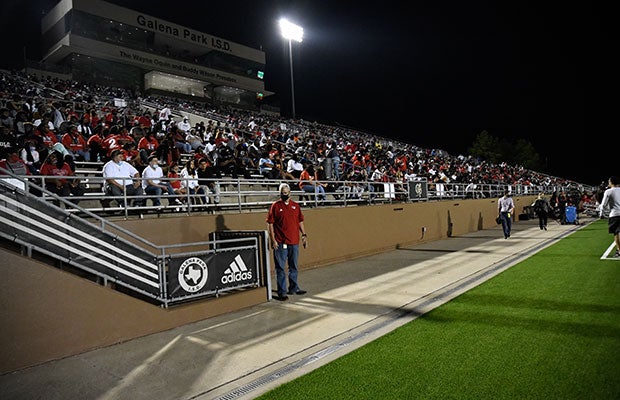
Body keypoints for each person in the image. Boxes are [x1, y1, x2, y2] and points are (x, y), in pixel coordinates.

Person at [266, 183, 308, 301]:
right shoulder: (275, 206)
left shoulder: (295, 206)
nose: (284, 195)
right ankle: (282, 292)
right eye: (282, 193)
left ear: (290, 193)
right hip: (280, 242)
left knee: (293, 266)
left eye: (286, 193)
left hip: (294, 241)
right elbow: (270, 223)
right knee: (280, 268)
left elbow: (300, 221)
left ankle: (294, 288)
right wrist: (273, 240)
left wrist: (304, 235)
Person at [599, 176, 620, 258]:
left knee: (616, 233)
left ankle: (619, 250)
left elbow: (603, 204)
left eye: (609, 181)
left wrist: (601, 214)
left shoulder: (608, 191)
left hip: (614, 215)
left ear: (611, 182)